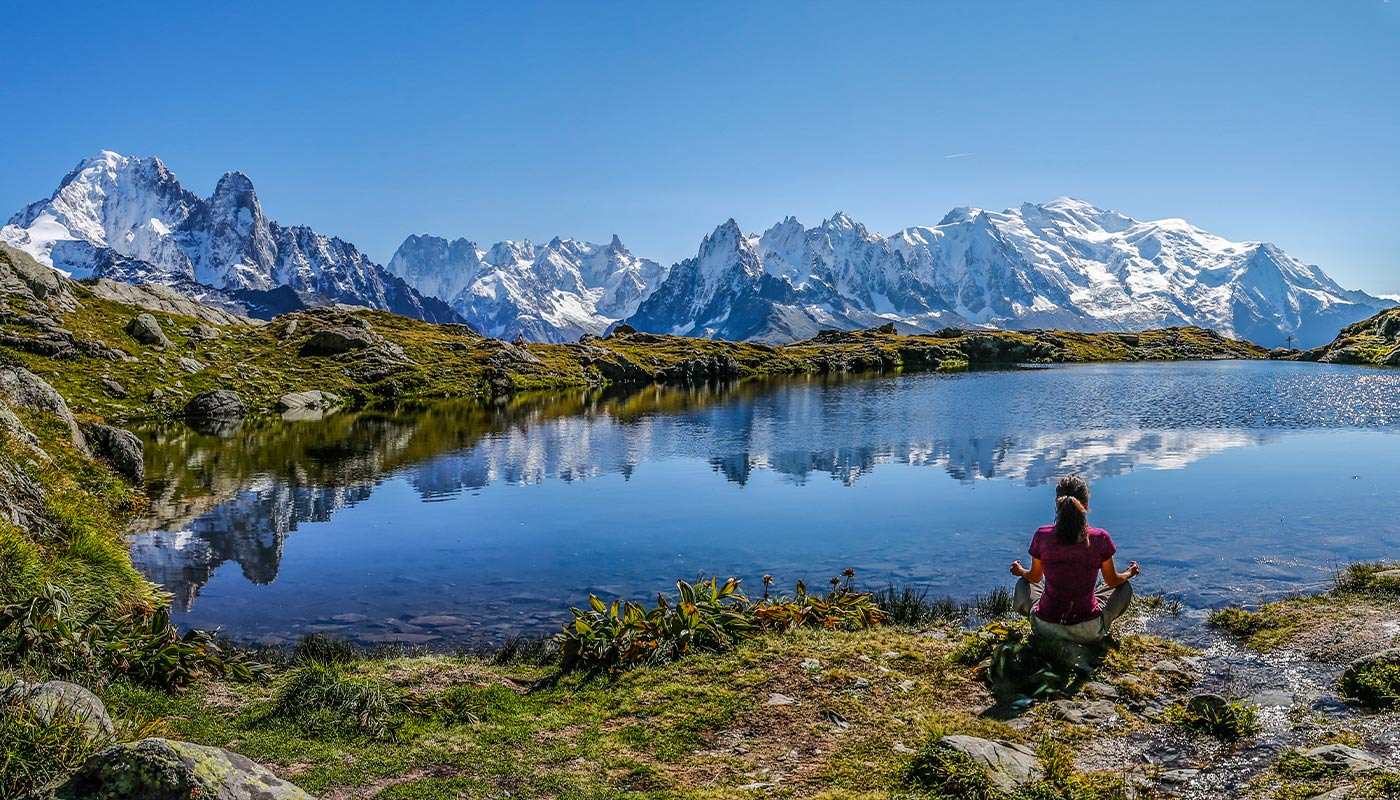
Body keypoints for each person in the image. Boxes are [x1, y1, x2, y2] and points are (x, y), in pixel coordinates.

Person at [1008, 475, 1139, 644]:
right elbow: (1112, 580)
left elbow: (1035, 577)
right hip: (1089, 630)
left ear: (1057, 503)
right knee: (1124, 587)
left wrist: (1020, 571)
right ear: (1086, 505)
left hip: (1045, 628)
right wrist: (1129, 573)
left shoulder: (1042, 535)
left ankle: (1048, 624)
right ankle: (1097, 627)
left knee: (1023, 583)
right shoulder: (1100, 538)